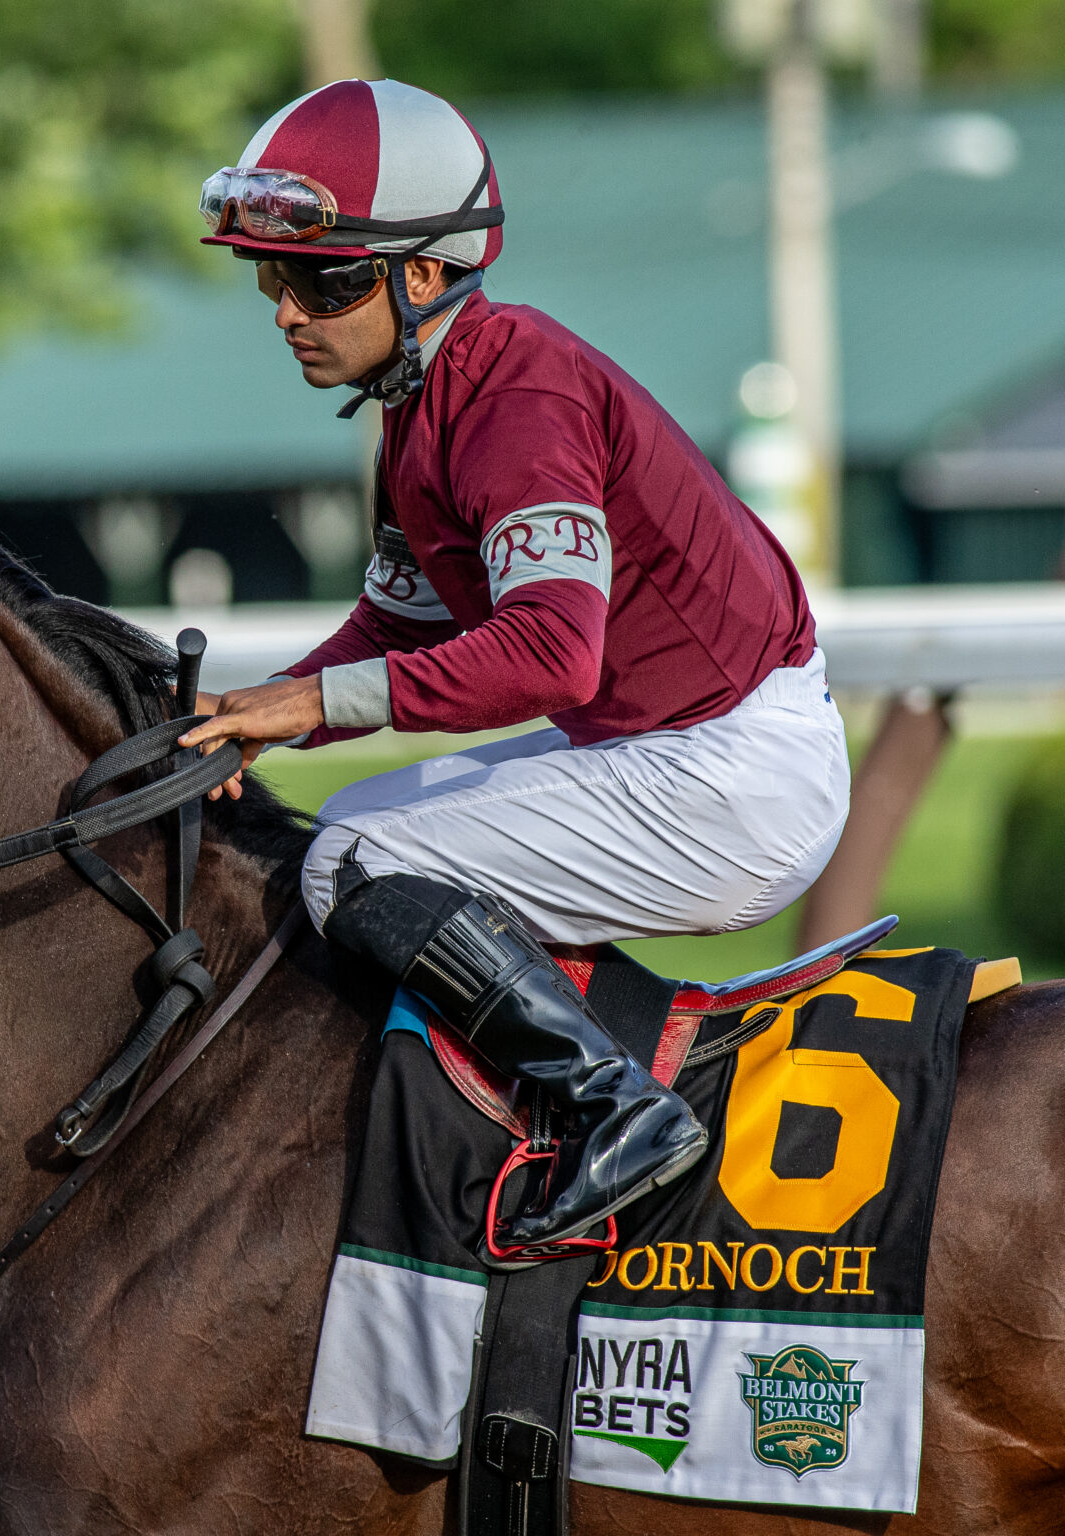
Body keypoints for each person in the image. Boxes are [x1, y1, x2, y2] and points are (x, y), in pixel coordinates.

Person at [178, 79, 850, 1249]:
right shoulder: (425, 403)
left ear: (424, 275)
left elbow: (551, 654)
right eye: (272, 281)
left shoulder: (517, 392)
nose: (287, 311)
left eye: (324, 280)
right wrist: (255, 713)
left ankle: (618, 1111)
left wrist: (305, 707)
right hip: (674, 740)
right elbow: (393, 633)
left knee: (353, 856)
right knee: (355, 834)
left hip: (735, 772)